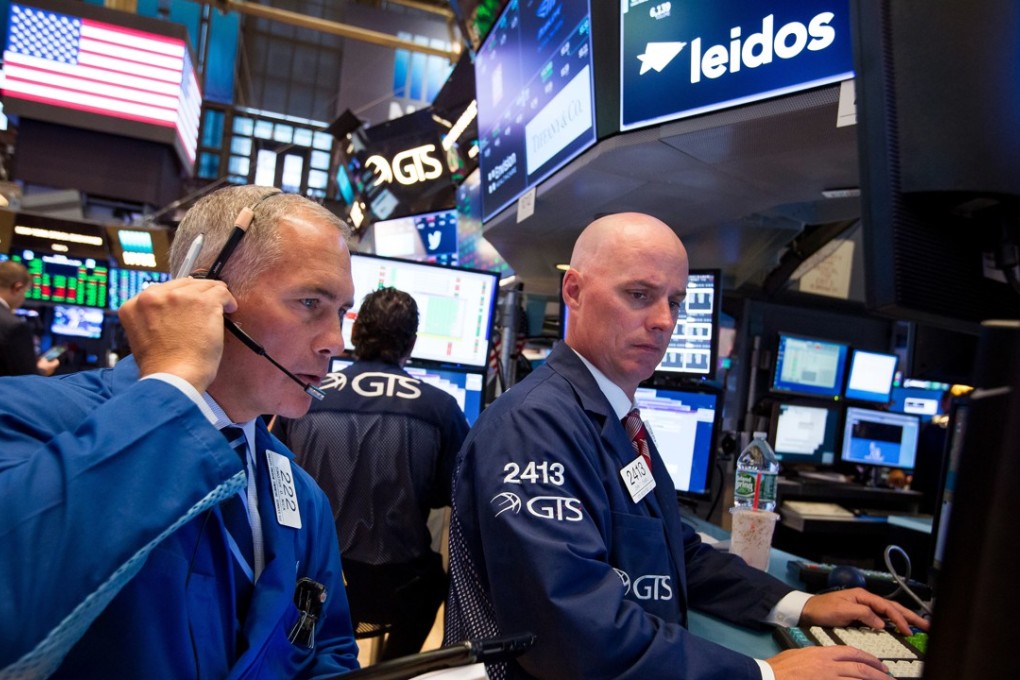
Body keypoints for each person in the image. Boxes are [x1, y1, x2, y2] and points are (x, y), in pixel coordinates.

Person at [443, 212, 928, 680]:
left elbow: (678, 554)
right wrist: (761, 673)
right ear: (575, 291)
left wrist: (800, 604)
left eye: (674, 301)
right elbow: (571, 629)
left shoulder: (615, 416)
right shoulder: (533, 427)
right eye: (639, 294)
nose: (662, 321)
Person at [0, 185, 361, 677]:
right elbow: (13, 611)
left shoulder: (300, 495)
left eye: (341, 312)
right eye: (309, 302)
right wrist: (174, 387)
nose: (335, 342)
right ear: (202, 292)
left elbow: (330, 654)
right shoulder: (28, 416)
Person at [277, 287, 469, 661]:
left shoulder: (304, 396)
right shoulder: (439, 407)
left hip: (313, 583)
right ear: (411, 343)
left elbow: (276, 481)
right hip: (398, 591)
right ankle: (392, 670)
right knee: (434, 582)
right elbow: (454, 491)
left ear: (353, 333)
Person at [0, 260, 60, 377]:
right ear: (17, 288)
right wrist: (42, 370)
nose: (23, 299)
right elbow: (25, 380)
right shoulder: (14, 327)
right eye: (25, 292)